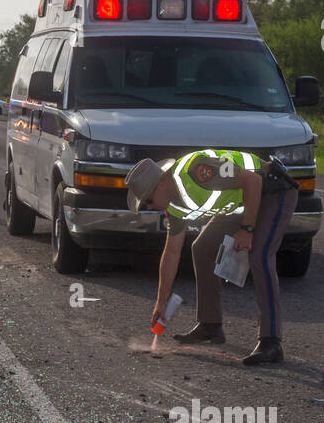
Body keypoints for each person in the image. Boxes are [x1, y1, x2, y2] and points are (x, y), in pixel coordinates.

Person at [126, 151, 299, 365]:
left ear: (162, 183)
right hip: (241, 204)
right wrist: (161, 302)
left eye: (149, 201)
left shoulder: (197, 171)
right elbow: (171, 252)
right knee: (202, 248)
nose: (150, 207)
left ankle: (271, 342)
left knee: (260, 256)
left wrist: (247, 229)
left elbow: (252, 181)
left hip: (273, 192)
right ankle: (210, 325)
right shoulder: (173, 206)